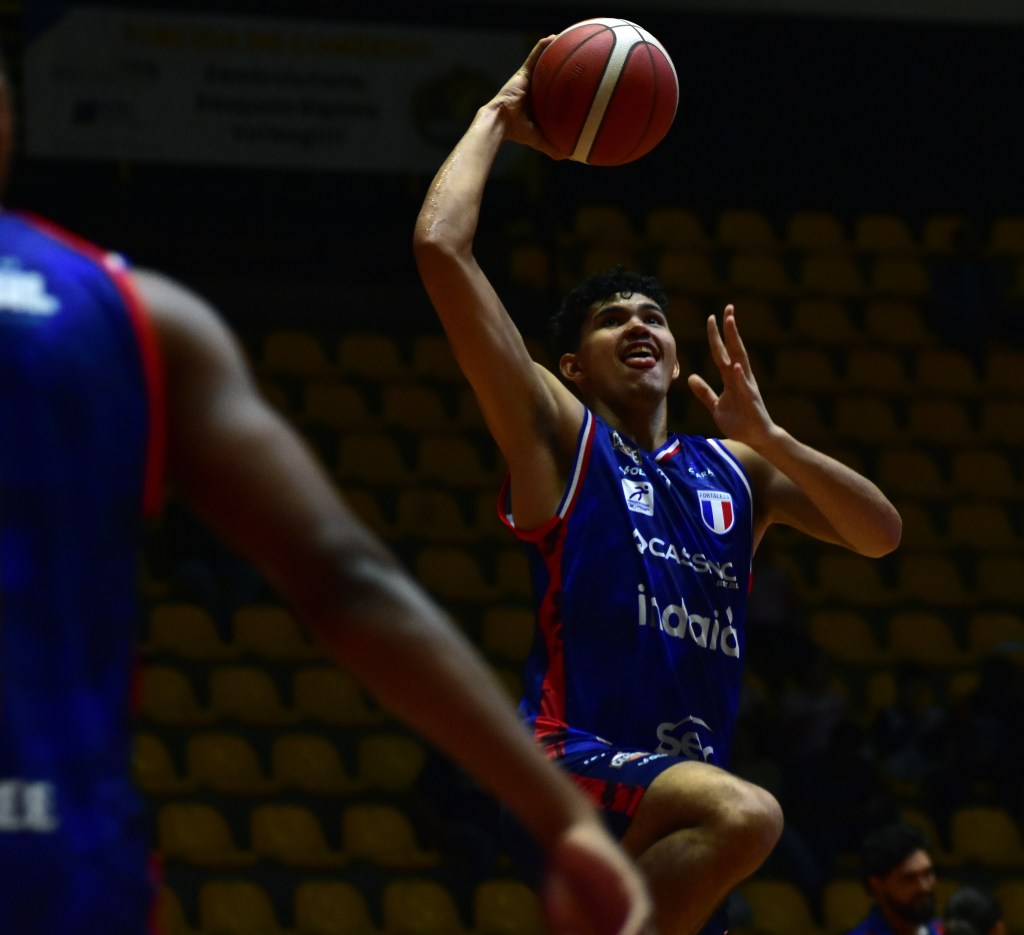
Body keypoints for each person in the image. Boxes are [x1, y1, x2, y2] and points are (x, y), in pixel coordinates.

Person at [0, 55, 652, 935]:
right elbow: (348, 579)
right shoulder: (129, 315)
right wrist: (561, 817)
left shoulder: (723, 463)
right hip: (54, 867)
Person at [413, 36, 902, 935]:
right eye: (612, 320)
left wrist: (772, 437)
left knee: (731, 824)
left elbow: (880, 534)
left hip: (670, 808)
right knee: (750, 813)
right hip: (572, 765)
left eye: (653, 316)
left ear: (677, 358)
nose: (639, 325)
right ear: (573, 366)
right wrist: (497, 115)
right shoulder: (562, 436)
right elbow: (442, 249)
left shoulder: (735, 470)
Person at [845, 822, 944, 935]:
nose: (923, 887)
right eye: (909, 879)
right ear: (876, 885)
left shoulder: (943, 930)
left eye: (927, 873)